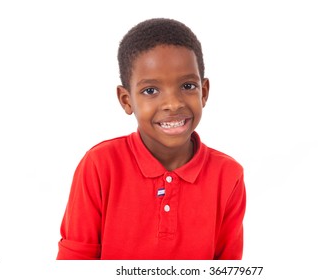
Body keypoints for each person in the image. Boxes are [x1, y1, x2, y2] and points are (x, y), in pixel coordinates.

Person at [57, 18, 246, 260]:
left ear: (204, 92)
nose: (173, 103)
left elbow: (228, 267)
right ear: (126, 100)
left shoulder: (228, 175)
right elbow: (74, 264)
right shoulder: (99, 166)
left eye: (188, 86)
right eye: (150, 91)